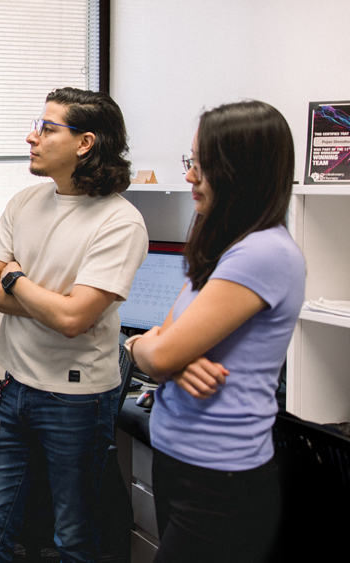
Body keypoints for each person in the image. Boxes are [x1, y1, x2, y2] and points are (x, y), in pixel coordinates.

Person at [0, 87, 148, 563]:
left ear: (85, 142)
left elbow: (74, 320)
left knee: (73, 534)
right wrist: (51, 301)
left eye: (48, 128)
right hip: (17, 388)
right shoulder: (25, 201)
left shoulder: (120, 222)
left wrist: (14, 277)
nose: (33, 137)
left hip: (77, 400)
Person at [124, 100, 305, 563]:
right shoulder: (224, 247)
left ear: (240, 171)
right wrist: (154, 348)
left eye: (201, 166)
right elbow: (158, 340)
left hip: (219, 476)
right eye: (191, 162)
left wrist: (163, 355)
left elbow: (160, 354)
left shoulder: (263, 253)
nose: (189, 177)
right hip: (179, 456)